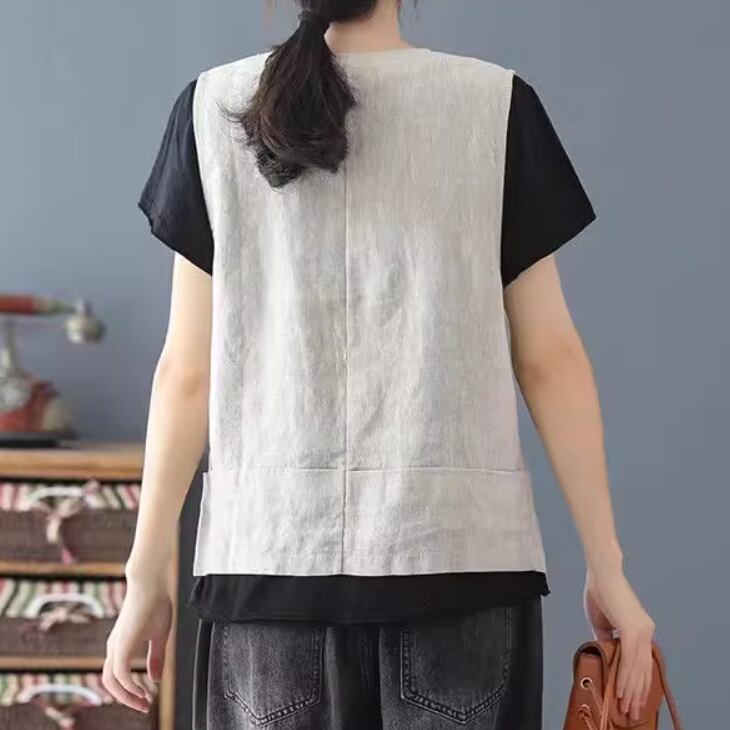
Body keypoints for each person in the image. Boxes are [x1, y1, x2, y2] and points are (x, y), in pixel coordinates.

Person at [103, 1, 657, 728]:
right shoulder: (494, 105)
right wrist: (607, 565)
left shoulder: (211, 109)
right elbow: (550, 358)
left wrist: (145, 572)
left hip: (270, 562)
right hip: (458, 562)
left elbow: (187, 372)